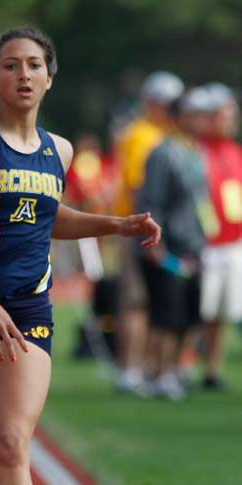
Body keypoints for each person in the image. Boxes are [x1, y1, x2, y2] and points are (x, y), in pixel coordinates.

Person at [0, 27, 160, 485]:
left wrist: (116, 225)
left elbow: (46, 216)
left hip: (26, 309)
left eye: (34, 65)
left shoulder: (59, 149)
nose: (24, 74)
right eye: (11, 66)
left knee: (12, 443)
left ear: (49, 78)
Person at [136, 88, 213, 400]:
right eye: (193, 114)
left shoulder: (197, 151)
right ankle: (158, 372)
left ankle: (175, 371)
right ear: (178, 117)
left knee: (187, 315)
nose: (200, 120)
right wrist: (156, 245)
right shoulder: (163, 152)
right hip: (168, 245)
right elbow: (152, 200)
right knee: (166, 314)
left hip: (194, 245)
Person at [114, 71, 184, 394]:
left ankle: (153, 367)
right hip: (138, 226)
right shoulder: (142, 135)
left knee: (158, 303)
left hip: (159, 228)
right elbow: (141, 184)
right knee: (137, 302)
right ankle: (131, 368)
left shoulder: (165, 135)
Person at [199, 83, 242, 389]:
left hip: (232, 242)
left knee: (224, 313)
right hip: (206, 243)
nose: (229, 122)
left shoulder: (235, 152)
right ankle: (182, 365)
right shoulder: (198, 152)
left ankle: (212, 370)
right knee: (202, 310)